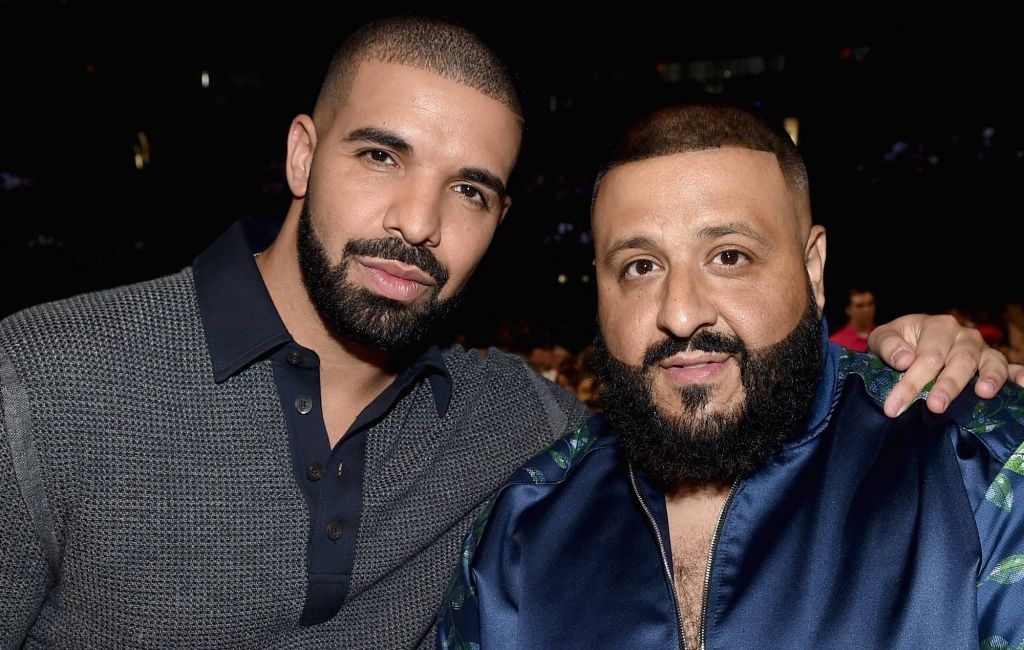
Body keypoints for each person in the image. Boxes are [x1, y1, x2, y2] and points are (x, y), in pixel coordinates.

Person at [0, 16, 1014, 649]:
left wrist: (914, 353)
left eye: (470, 189)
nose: (418, 223)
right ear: (302, 153)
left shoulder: (510, 431)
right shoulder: (42, 379)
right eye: (380, 154)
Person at [439, 104, 1024, 649]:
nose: (682, 311)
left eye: (729, 257)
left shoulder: (976, 469)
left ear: (813, 269)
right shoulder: (521, 530)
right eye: (640, 267)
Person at [828, 287, 876, 352]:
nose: (866, 310)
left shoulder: (883, 333)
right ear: (848, 310)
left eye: (870, 304)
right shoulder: (835, 343)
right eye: (860, 306)